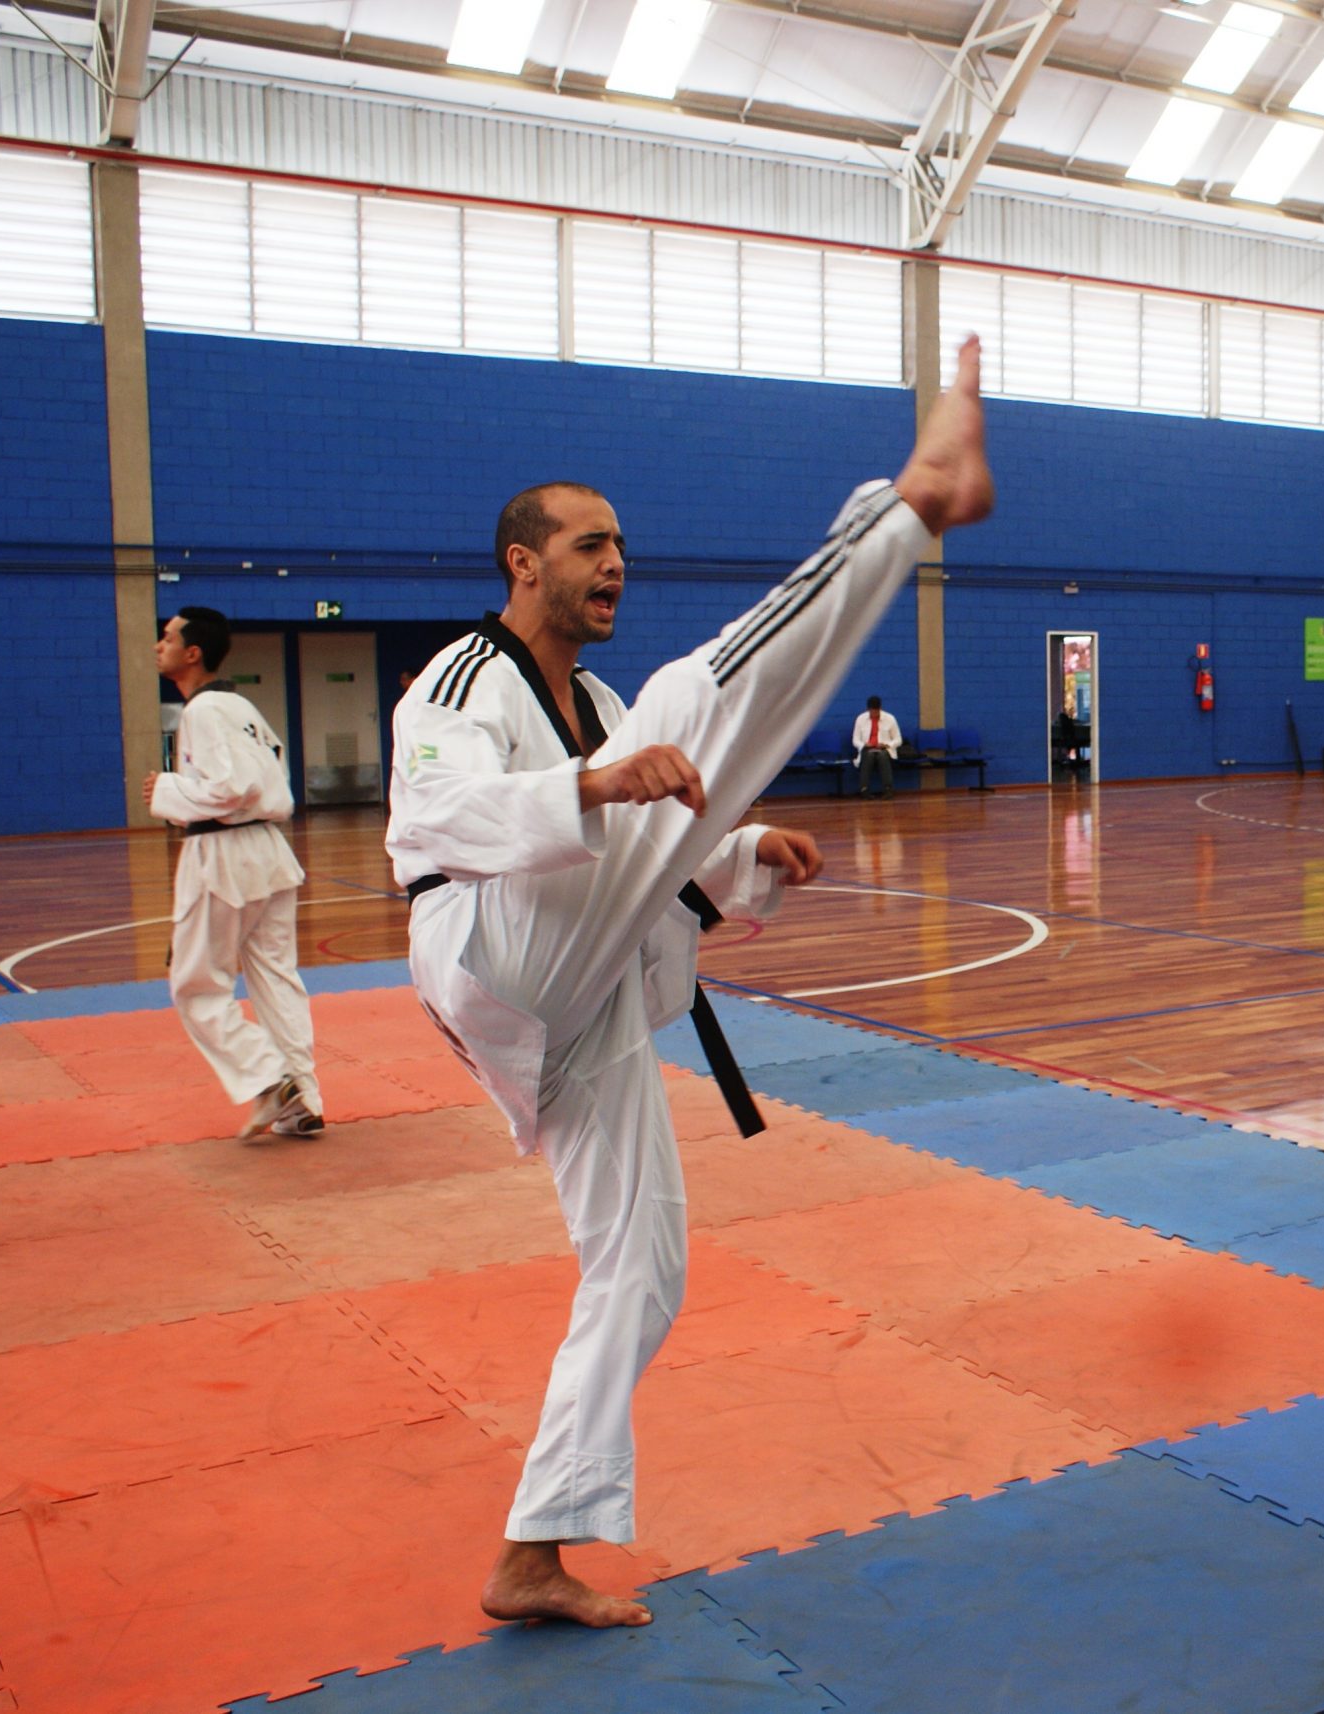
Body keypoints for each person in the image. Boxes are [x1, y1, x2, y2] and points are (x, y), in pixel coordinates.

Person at [385, 336, 994, 1629]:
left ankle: (534, 1548)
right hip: (492, 945)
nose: (614, 562)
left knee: (643, 1263)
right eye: (588, 543)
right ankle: (901, 507)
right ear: (521, 562)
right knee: (687, 704)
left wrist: (737, 855)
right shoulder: (462, 677)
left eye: (619, 544)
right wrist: (599, 780)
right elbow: (439, 808)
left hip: (579, 985)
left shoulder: (594, 696)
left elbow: (636, 840)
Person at [146, 607, 323, 1139]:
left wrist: (169, 792)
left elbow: (236, 787)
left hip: (223, 854)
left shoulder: (203, 711)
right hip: (267, 850)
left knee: (196, 984)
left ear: (192, 652)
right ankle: (302, 1097)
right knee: (275, 978)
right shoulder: (243, 706)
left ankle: (269, 1079)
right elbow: (264, 783)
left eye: (167, 637)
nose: (159, 645)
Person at [852, 693, 903, 798]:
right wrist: (864, 745)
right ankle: (864, 789)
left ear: (880, 709)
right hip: (867, 749)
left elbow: (898, 740)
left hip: (884, 750)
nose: (874, 713)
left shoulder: (890, 719)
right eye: (872, 711)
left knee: (882, 756)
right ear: (868, 709)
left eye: (876, 711)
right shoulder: (860, 719)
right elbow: (855, 740)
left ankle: (888, 789)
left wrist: (887, 744)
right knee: (869, 756)